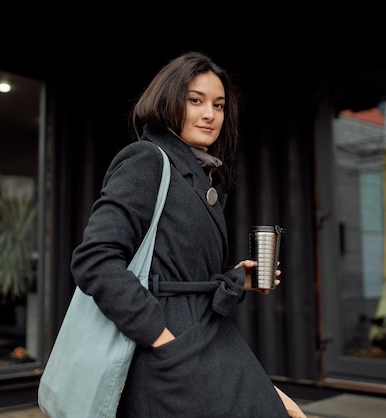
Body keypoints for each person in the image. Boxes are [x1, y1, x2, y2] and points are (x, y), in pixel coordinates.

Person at [70, 51, 306, 418]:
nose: (210, 114)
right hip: (171, 359)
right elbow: (95, 260)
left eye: (219, 104)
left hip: (207, 342)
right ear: (168, 101)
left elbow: (182, 273)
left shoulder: (201, 173)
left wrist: (233, 279)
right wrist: (159, 337)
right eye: (195, 100)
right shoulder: (146, 160)